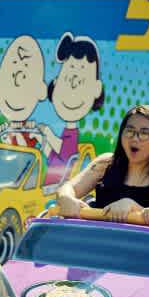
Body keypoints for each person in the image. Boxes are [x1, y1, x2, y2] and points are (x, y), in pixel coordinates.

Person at [56, 105, 149, 224]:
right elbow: (68, 188)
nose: (135, 138)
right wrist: (65, 197)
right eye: (129, 131)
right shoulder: (105, 163)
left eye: (144, 133)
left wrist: (131, 206)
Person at [40, 32, 104, 185]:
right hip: (49, 185)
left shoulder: (71, 134)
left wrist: (48, 133)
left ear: (96, 89)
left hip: (58, 186)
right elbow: (55, 158)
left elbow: (66, 152)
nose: (72, 88)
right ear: (55, 84)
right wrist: (42, 142)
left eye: (81, 82)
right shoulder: (65, 132)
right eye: (67, 80)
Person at [0, 35, 48, 148]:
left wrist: (23, 131)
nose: (17, 80)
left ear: (41, 90)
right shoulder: (5, 129)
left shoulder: (30, 130)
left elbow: (25, 152)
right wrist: (4, 134)